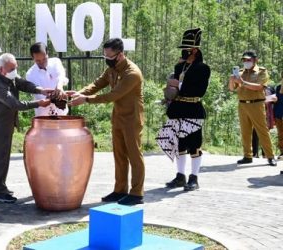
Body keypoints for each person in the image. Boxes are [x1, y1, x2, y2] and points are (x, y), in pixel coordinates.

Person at [68, 38, 145, 206]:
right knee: (119, 156)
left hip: (132, 120)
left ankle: (137, 193)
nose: (106, 59)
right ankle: (120, 190)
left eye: (109, 56)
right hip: (118, 118)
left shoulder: (132, 73)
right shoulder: (111, 70)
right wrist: (78, 94)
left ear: (120, 55)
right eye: (105, 56)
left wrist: (85, 100)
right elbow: (97, 84)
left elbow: (112, 96)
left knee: (134, 156)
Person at [0, 53, 54, 203]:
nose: (15, 71)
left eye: (15, 67)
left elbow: (23, 83)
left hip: (6, 123)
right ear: (1, 69)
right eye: (12, 69)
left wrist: (40, 90)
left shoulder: (9, 76)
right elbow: (15, 104)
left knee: (3, 157)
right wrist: (38, 103)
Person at [156, 28, 211, 191]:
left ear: (195, 50)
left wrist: (178, 86)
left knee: (194, 145)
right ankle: (180, 176)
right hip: (178, 109)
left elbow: (199, 91)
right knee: (178, 144)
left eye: (186, 49)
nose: (184, 52)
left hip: (193, 110)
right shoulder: (179, 67)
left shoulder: (203, 68)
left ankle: (194, 178)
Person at [228, 50, 277, 166]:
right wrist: (231, 80)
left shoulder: (261, 72)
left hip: (257, 104)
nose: (246, 62)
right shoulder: (239, 73)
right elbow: (231, 89)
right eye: (244, 60)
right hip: (242, 104)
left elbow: (260, 87)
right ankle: (247, 156)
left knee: (262, 131)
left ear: (255, 60)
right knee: (245, 131)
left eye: (248, 60)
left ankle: (270, 156)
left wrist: (242, 82)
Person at [26, 42, 69, 116]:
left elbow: (61, 75)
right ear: (33, 58)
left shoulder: (56, 62)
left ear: (47, 54)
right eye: (38, 61)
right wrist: (50, 97)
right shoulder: (30, 74)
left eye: (44, 59)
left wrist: (59, 86)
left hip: (61, 112)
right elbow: (36, 93)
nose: (42, 62)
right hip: (43, 115)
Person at [252, 86, 277, 158]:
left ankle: (265, 154)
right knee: (255, 132)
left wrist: (275, 100)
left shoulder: (271, 88)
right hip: (257, 111)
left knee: (265, 133)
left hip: (267, 113)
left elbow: (274, 101)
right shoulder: (256, 86)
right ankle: (254, 153)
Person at [273, 72, 283, 159]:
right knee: (280, 134)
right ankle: (282, 152)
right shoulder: (278, 87)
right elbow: (276, 100)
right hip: (279, 114)